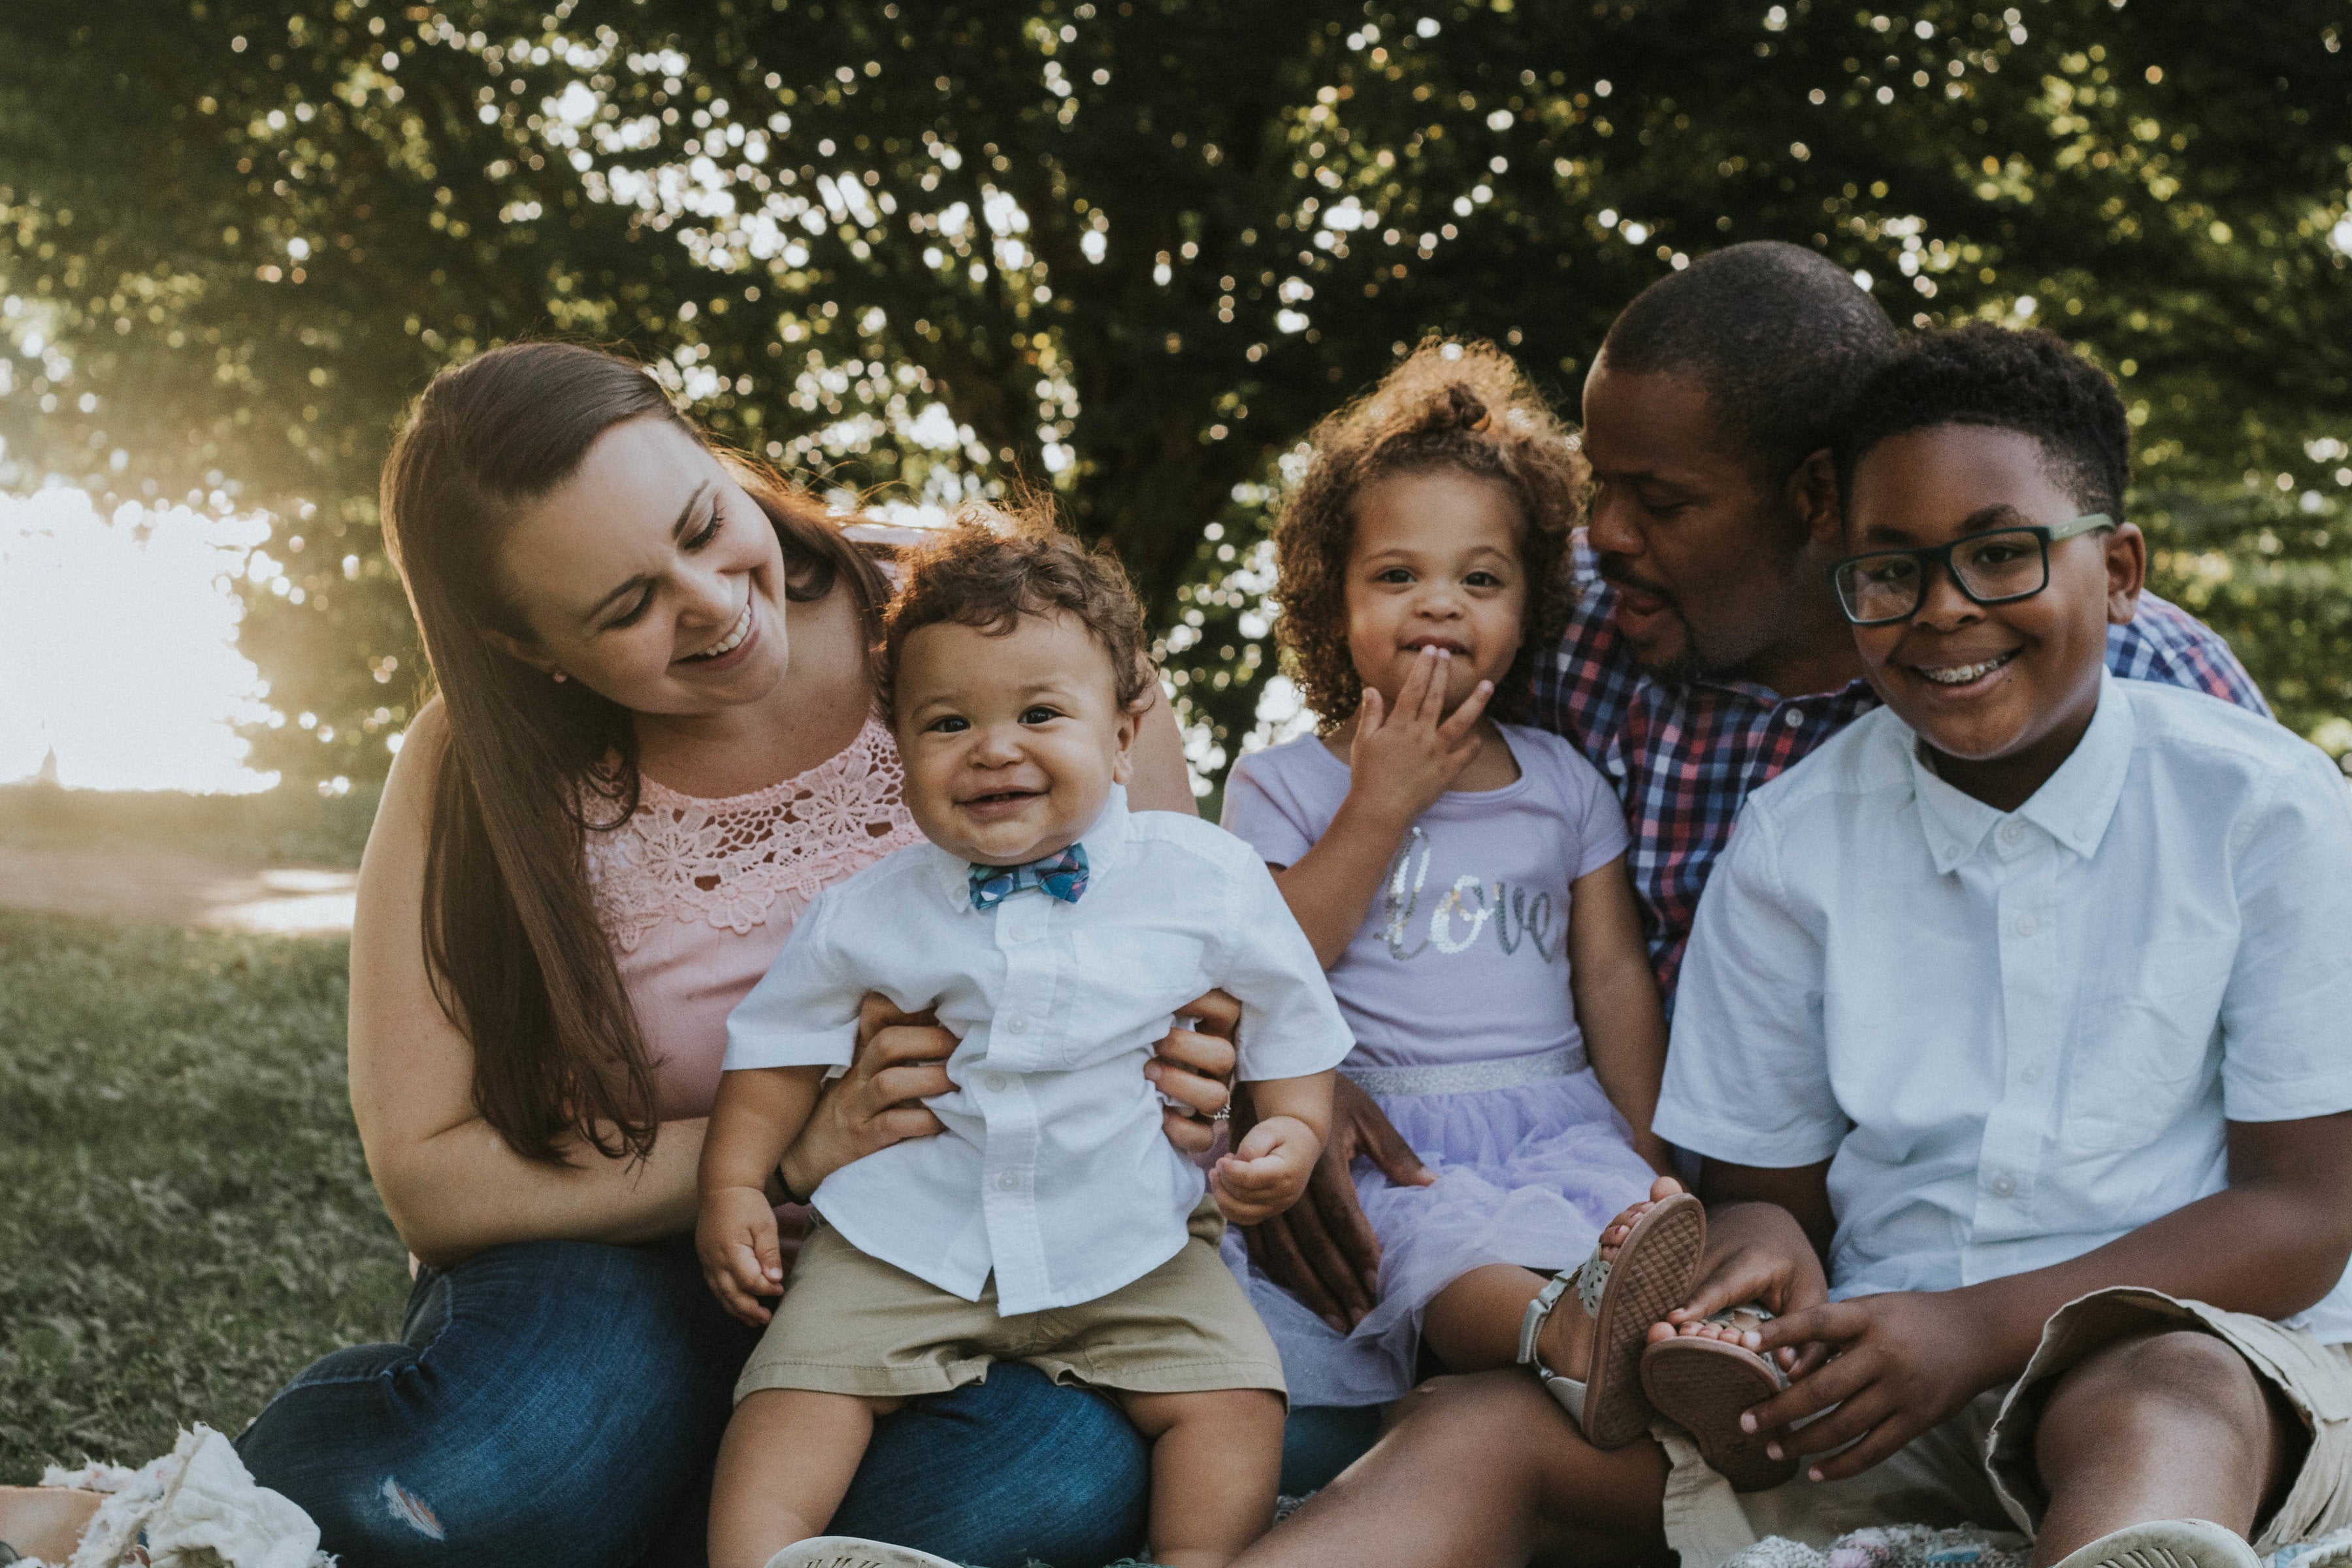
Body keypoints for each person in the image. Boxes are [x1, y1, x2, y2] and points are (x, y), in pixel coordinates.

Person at [1233, 253, 2277, 1566]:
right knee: (1444, 1430)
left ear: (1817, 502)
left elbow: (2301, 1148)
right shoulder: (1559, 627)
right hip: (1704, 1274)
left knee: (2158, 1402)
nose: (1602, 535)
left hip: (2132, 1316)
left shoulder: (2153, 698)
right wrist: (1289, 1072)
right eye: (1600, 490)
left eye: (1657, 500)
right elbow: (1292, 854)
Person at [208, 343, 1240, 1568]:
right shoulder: (474, 766)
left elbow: (1192, 957)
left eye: (704, 521)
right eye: (626, 606)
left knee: (1038, 1485)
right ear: (530, 646)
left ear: (711, 453)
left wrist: (1253, 1088)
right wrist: (786, 1147)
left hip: (987, 1281)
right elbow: (431, 1176)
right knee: (475, 1470)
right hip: (629, 1280)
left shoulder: (995, 620)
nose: (709, 599)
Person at [1643, 321, 2352, 1568]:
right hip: (1884, 1376)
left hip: (2200, 1353)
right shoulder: (1793, 843)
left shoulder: (2267, 809)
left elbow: (2307, 1210)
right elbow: (1771, 1198)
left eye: (2002, 555)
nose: (1945, 610)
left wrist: (1976, 1331)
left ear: (2121, 571)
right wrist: (1760, 1271)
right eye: (1891, 571)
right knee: (1478, 1434)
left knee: (2161, 1398)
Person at [698, 516, 1351, 1568]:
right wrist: (734, 1187)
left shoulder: (1203, 881)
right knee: (796, 1390)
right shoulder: (865, 913)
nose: (994, 748)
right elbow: (771, 1055)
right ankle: (760, 1555)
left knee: (1236, 1394)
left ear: (1125, 734)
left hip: (1127, 1239)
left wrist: (1298, 1133)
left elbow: (1291, 1020)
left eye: (1041, 713)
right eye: (947, 723)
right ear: (899, 748)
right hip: (907, 1242)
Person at [1220, 341, 1708, 1453]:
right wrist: (1379, 808)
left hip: (1554, 1113)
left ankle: (1662, 1361)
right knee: (1439, 1255)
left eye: (1479, 579)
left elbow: (1612, 976)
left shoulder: (1562, 782)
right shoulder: (1287, 784)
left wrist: (1646, 1144)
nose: (1439, 603)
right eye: (1397, 576)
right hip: (1391, 1129)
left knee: (1631, 1231)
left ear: (1529, 607)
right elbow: (1263, 965)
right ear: (1330, 599)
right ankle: (1560, 1336)